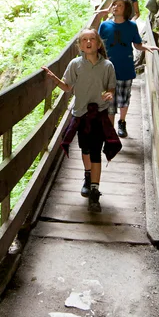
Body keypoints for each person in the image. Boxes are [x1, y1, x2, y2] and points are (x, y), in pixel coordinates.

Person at [42, 28, 121, 212]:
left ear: (98, 43)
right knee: (85, 149)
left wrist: (109, 94)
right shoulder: (75, 64)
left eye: (92, 39)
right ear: (80, 45)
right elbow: (68, 87)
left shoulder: (107, 66)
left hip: (99, 115)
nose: (88, 42)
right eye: (84, 39)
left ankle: (94, 191)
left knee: (95, 152)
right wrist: (53, 78)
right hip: (80, 115)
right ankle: (87, 175)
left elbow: (111, 88)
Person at [98, 0, 159, 137]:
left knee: (123, 98)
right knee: (109, 102)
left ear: (126, 9)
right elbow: (98, 45)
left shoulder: (131, 26)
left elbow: (137, 44)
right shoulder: (104, 26)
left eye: (119, 5)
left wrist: (146, 47)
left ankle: (122, 122)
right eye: (114, 4)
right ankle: (110, 132)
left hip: (125, 68)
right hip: (107, 70)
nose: (115, 7)